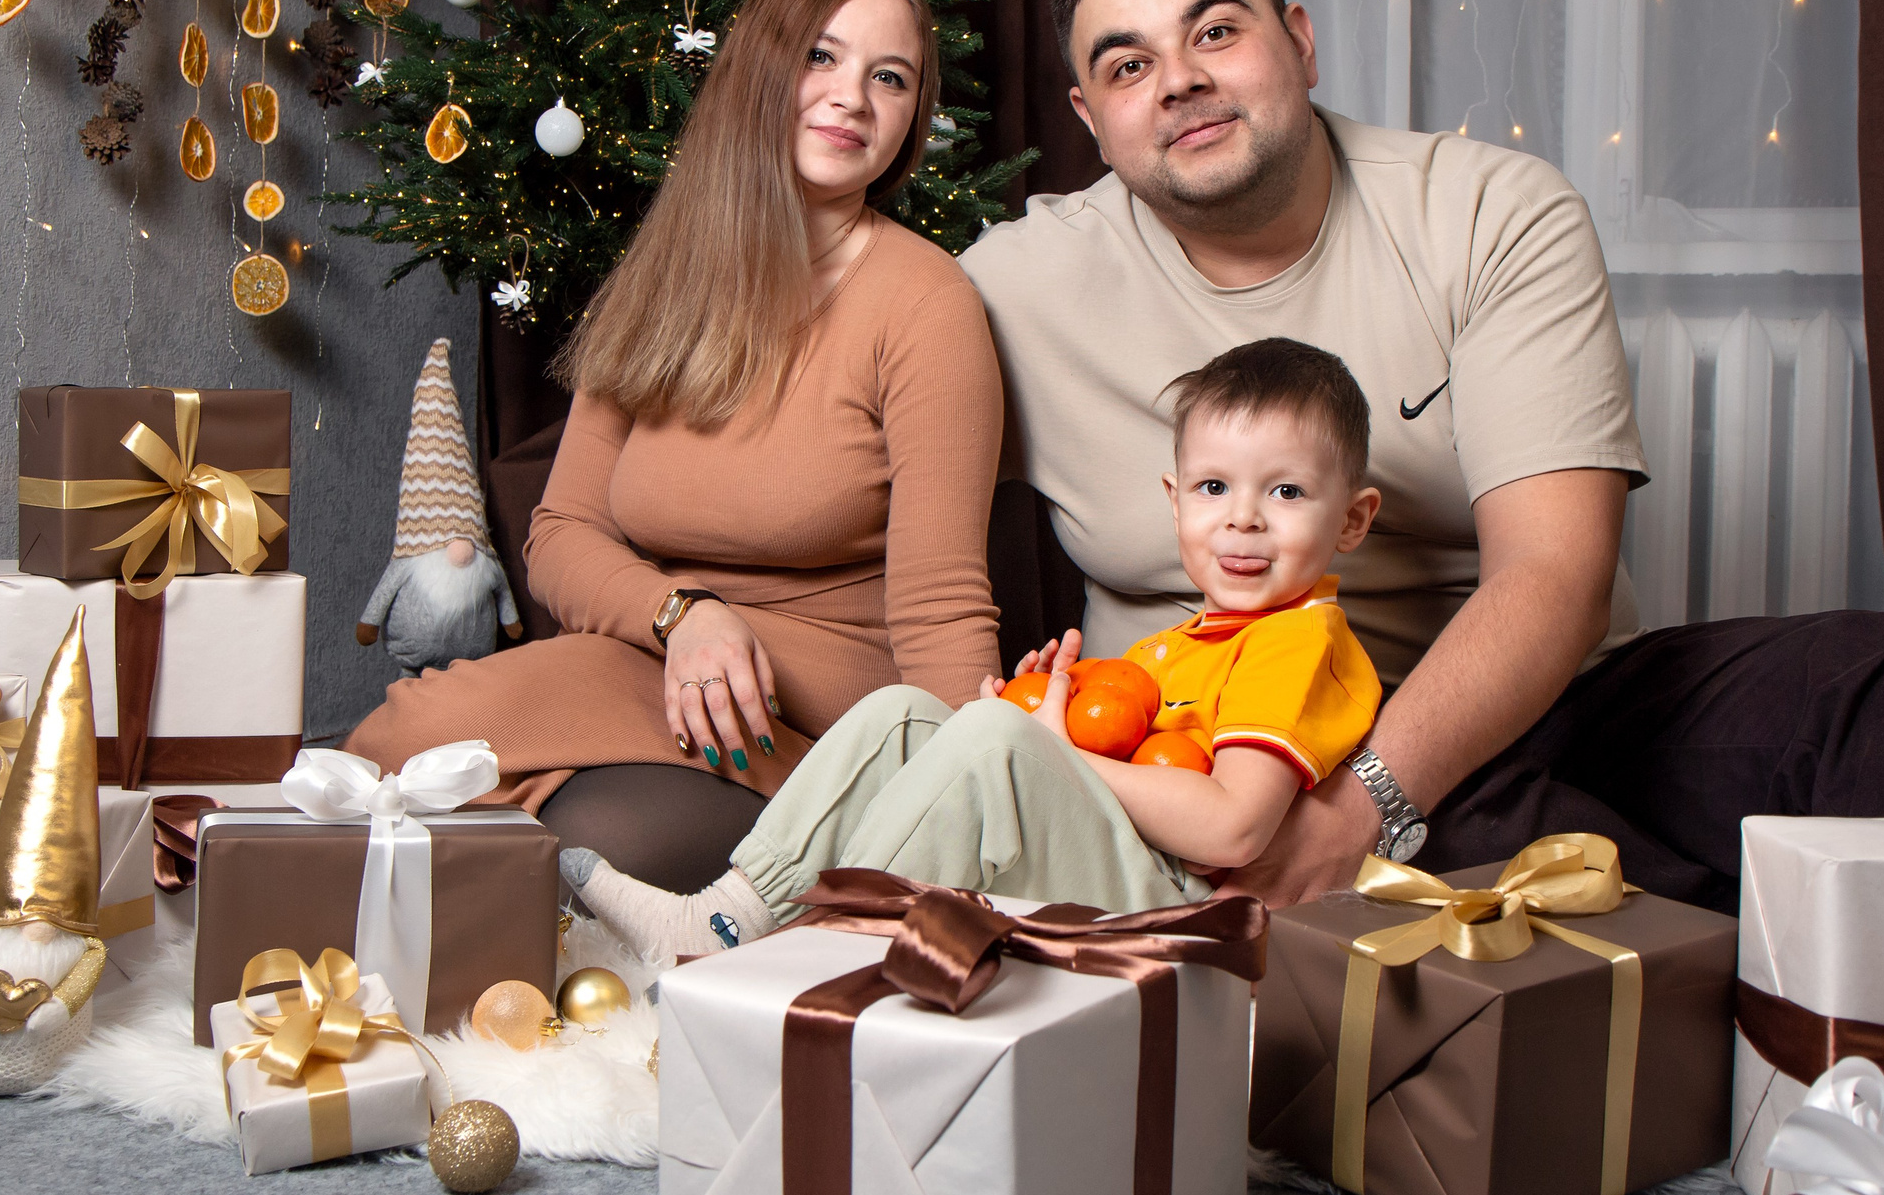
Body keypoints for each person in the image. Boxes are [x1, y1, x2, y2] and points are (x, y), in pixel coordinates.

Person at [958, 0, 1884, 914]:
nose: (1179, 80)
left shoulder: (1490, 211)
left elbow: (1553, 574)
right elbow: (820, 449)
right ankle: (1708, 953)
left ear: (1297, 41)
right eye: (1125, 64)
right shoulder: (1011, 286)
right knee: (1596, 909)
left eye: (1216, 32)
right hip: (1211, 763)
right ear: (1089, 118)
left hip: (1508, 704)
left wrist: (1364, 811)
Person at [343, 0, 1004, 888]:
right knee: (408, 741)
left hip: (816, 716)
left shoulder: (928, 305)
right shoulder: (667, 274)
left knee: (591, 842)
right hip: (658, 659)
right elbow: (563, 533)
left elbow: (942, 609)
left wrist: (963, 825)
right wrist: (683, 616)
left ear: (910, 117)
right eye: (821, 57)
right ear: (759, 71)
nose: (852, 96)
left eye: (888, 78)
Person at [563, 337, 1385, 957]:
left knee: (993, 738)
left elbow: (1234, 830)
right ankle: (724, 918)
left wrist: (1042, 750)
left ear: (1351, 519)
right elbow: (1128, 755)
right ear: (1175, 502)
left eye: (1285, 491)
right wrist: (1043, 708)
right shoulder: (1182, 644)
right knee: (903, 716)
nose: (1242, 517)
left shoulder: (1296, 640)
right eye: (1215, 487)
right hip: (1135, 862)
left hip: (1186, 910)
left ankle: (819, 955)